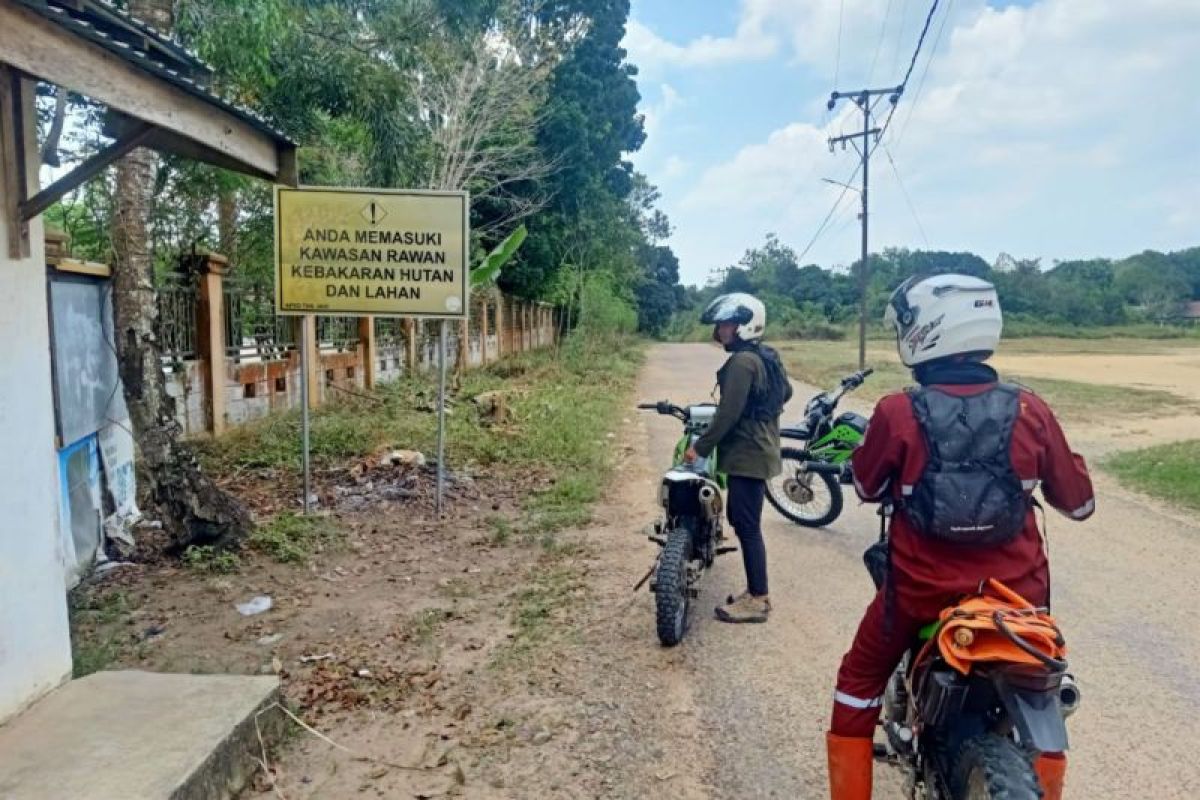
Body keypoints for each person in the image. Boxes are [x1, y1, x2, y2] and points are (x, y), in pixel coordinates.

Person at [826, 274, 1095, 800]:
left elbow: (863, 484)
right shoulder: (1030, 409)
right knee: (1043, 694)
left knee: (857, 684)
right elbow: (1080, 504)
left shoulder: (897, 411)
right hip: (1018, 599)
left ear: (925, 332)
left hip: (920, 595)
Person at [685, 292, 792, 624]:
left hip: (749, 454)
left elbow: (728, 414)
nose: (721, 331)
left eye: (728, 324)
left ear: (746, 325)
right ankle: (756, 592)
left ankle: (758, 599)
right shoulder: (763, 356)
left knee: (747, 526)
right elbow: (784, 393)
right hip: (759, 448)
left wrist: (699, 447)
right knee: (744, 521)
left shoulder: (742, 363)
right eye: (721, 325)